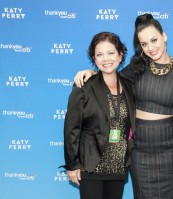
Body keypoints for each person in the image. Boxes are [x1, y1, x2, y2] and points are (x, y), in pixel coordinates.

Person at [73, 14, 173, 199]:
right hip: (139, 146)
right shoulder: (137, 67)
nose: (151, 47)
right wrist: (91, 72)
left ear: (164, 36)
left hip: (168, 146)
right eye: (144, 44)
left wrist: (172, 112)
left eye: (154, 40)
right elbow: (110, 76)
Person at [61, 32, 136, 199]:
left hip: (118, 166)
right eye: (99, 55)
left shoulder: (129, 86)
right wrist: (72, 165)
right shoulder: (84, 86)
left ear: (120, 55)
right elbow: (71, 128)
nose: (105, 59)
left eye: (110, 53)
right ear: (94, 59)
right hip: (91, 165)